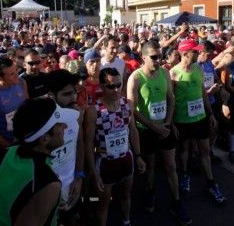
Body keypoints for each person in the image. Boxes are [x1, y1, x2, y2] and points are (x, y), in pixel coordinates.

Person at [127, 41, 191, 224]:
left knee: (171, 165)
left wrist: (168, 124)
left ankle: (176, 202)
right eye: (154, 57)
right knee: (150, 165)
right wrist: (155, 127)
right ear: (144, 57)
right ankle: (150, 192)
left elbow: (171, 99)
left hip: (165, 128)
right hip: (146, 131)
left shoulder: (164, 72)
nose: (158, 60)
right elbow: (133, 111)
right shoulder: (135, 78)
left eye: (160, 56)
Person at [0, 98, 67, 226]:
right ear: (44, 139)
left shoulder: (9, 152)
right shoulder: (49, 183)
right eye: (59, 124)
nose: (65, 126)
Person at [84, 68, 146, 226]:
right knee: (103, 204)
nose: (116, 89)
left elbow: (132, 130)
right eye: (111, 86)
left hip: (126, 159)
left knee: (126, 196)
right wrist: (93, 172)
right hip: (105, 164)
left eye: (119, 85)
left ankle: (127, 221)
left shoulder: (127, 104)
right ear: (102, 87)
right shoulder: (94, 110)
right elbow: (89, 142)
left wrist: (138, 156)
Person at [171, 39, 227, 205]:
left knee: (204, 150)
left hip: (200, 117)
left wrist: (210, 113)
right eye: (195, 51)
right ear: (185, 53)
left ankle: (211, 183)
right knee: (184, 149)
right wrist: (172, 122)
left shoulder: (198, 69)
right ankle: (185, 175)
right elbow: (171, 100)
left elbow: (203, 93)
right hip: (182, 119)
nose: (198, 53)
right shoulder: (173, 73)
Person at [44, 69, 85, 226]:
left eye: (74, 92)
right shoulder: (41, 120)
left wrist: (79, 176)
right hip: (47, 191)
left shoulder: (76, 113)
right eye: (66, 94)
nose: (74, 97)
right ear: (52, 95)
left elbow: (79, 143)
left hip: (71, 186)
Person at [0, 57, 29, 160]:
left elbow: (27, 109)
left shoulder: (21, 82)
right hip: (5, 147)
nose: (17, 75)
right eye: (12, 74)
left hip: (24, 139)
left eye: (16, 70)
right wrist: (11, 149)